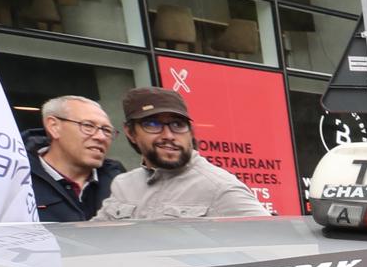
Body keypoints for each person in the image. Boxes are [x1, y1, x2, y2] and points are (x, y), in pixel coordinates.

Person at [96, 88, 270, 220]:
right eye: (153, 124)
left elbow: (274, 243)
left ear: (191, 131)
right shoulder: (123, 185)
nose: (168, 135)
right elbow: (94, 240)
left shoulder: (219, 188)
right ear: (131, 133)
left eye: (177, 125)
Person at [28, 95, 121, 223]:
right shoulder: (20, 181)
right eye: (88, 126)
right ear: (54, 126)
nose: (101, 137)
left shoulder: (118, 181)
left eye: (106, 130)